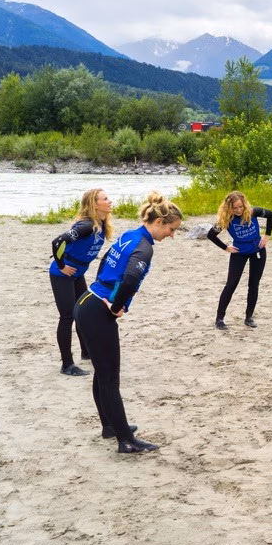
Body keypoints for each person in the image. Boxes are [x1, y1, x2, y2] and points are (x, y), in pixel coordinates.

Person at [75, 191, 183, 454]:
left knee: (102, 373)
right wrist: (115, 306)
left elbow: (103, 263)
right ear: (158, 223)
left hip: (86, 301)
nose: (171, 235)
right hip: (98, 311)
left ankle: (109, 426)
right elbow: (131, 280)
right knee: (110, 378)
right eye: (171, 229)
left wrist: (103, 291)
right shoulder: (144, 247)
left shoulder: (129, 235)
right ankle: (126, 440)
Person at [49, 188, 113, 376]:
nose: (110, 201)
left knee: (82, 313)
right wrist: (61, 266)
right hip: (62, 274)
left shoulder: (100, 224)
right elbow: (58, 242)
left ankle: (86, 352)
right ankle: (67, 364)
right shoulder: (85, 226)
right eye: (105, 199)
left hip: (77, 273)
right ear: (94, 204)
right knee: (67, 316)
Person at [207, 191, 272, 330]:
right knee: (231, 285)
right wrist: (225, 247)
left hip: (258, 250)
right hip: (239, 253)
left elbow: (271, 215)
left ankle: (249, 317)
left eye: (240, 207)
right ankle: (219, 319)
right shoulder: (226, 219)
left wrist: (267, 236)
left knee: (253, 284)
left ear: (244, 205)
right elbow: (211, 235)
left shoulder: (252, 212)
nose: (238, 210)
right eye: (234, 208)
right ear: (228, 208)